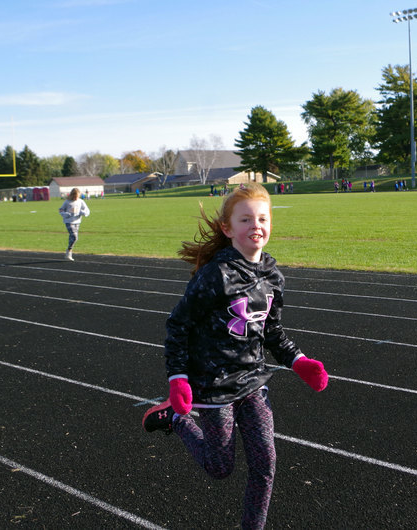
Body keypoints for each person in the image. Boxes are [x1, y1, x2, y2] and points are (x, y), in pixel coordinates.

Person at [142, 182, 328, 530]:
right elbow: (178, 324)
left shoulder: (273, 277)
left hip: (253, 382)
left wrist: (299, 361)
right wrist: (177, 378)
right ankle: (177, 420)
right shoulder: (215, 276)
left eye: (262, 218)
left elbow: (272, 332)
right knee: (219, 467)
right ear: (227, 229)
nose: (256, 226)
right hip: (214, 386)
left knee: (265, 465)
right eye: (245, 219)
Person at [58, 188, 90, 261]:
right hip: (69, 221)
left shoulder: (81, 201)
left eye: (77, 196)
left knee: (72, 238)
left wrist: (83, 213)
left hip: (77, 221)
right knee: (74, 237)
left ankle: (68, 252)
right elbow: (61, 210)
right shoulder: (67, 202)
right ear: (72, 195)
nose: (76, 198)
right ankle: (69, 251)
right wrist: (66, 214)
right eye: (75, 196)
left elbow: (87, 210)